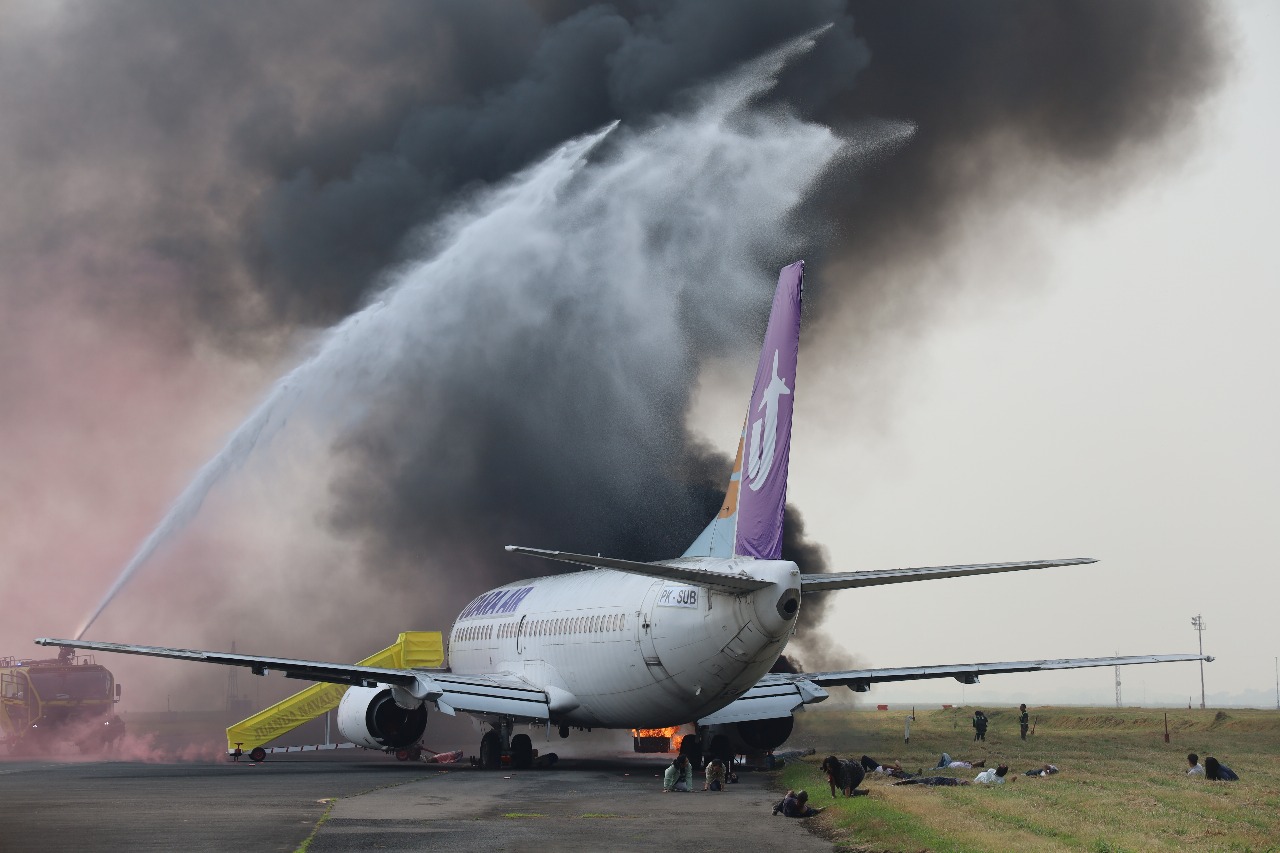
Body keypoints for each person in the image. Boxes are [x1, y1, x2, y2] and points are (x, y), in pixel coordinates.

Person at [894, 776, 970, 787]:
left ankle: (897, 784)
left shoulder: (955, 782)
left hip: (934, 780)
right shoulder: (956, 781)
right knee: (915, 781)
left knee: (916, 782)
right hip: (935, 780)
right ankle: (896, 784)